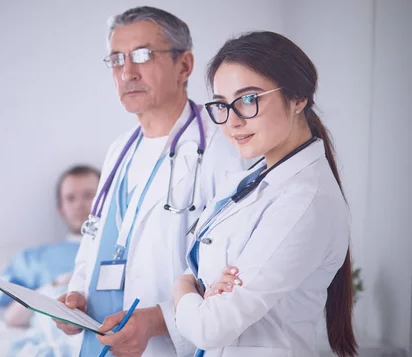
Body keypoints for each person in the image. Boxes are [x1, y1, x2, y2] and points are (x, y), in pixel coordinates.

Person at [54, 6, 247, 357]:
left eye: (143, 56)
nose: (127, 72)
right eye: (116, 59)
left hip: (168, 347)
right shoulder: (120, 149)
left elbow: (234, 275)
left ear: (184, 65)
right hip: (100, 338)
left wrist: (160, 321)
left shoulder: (223, 149)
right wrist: (76, 295)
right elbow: (95, 241)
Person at [172, 31, 357, 357]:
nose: (232, 122)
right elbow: (198, 271)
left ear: (298, 98)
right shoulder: (249, 181)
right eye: (222, 105)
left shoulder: (304, 202)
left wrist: (181, 290)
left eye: (248, 99)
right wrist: (200, 287)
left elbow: (209, 327)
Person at [0, 164, 101, 325]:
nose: (79, 204)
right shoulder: (34, 259)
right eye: (70, 198)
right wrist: (56, 284)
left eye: (88, 195)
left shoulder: (123, 253)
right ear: (61, 209)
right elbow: (10, 318)